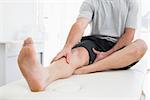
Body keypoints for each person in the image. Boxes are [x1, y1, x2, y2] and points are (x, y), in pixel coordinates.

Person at [18, 0, 147, 92]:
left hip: (119, 48)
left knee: (142, 45)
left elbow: (129, 35)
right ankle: (43, 76)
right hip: (96, 42)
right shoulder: (91, 2)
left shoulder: (132, 2)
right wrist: (67, 47)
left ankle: (88, 69)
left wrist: (109, 53)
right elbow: (80, 25)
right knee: (75, 54)